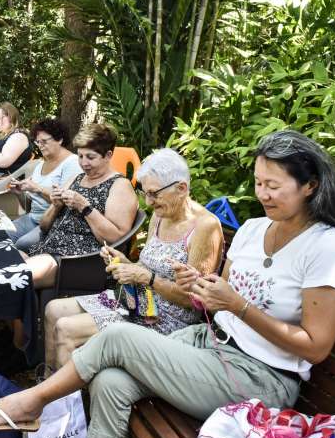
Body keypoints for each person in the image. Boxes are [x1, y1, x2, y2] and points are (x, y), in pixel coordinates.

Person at [0, 130, 335, 438]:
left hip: (260, 376)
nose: (262, 194)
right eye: (258, 183)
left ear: (310, 185)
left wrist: (236, 305)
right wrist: (199, 285)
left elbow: (315, 347)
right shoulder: (254, 230)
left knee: (117, 337)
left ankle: (32, 402)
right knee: (109, 380)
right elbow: (212, 298)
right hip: (212, 344)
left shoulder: (326, 248)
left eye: (273, 185)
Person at [44, 148, 223, 369]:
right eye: (145, 193)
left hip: (165, 321)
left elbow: (194, 300)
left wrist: (148, 278)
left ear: (181, 188)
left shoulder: (205, 227)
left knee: (66, 328)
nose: (148, 201)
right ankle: (49, 381)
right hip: (136, 301)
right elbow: (144, 267)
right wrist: (123, 262)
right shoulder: (161, 215)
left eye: (154, 193)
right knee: (53, 309)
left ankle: (60, 390)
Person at [24, 123, 138, 290]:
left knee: (16, 276)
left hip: (79, 260)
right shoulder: (77, 178)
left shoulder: (119, 186)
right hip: (47, 249)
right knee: (3, 263)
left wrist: (85, 207)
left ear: (108, 155)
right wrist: (55, 206)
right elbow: (44, 226)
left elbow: (115, 239)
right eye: (80, 156)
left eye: (90, 157)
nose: (84, 163)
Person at [7, 118, 81, 251]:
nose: (40, 145)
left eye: (44, 141)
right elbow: (31, 206)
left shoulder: (72, 163)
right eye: (38, 142)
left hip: (54, 223)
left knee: (22, 245)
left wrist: (37, 188)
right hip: (32, 218)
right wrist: (19, 193)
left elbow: (65, 201)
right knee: (1, 236)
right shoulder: (40, 164)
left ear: (60, 139)